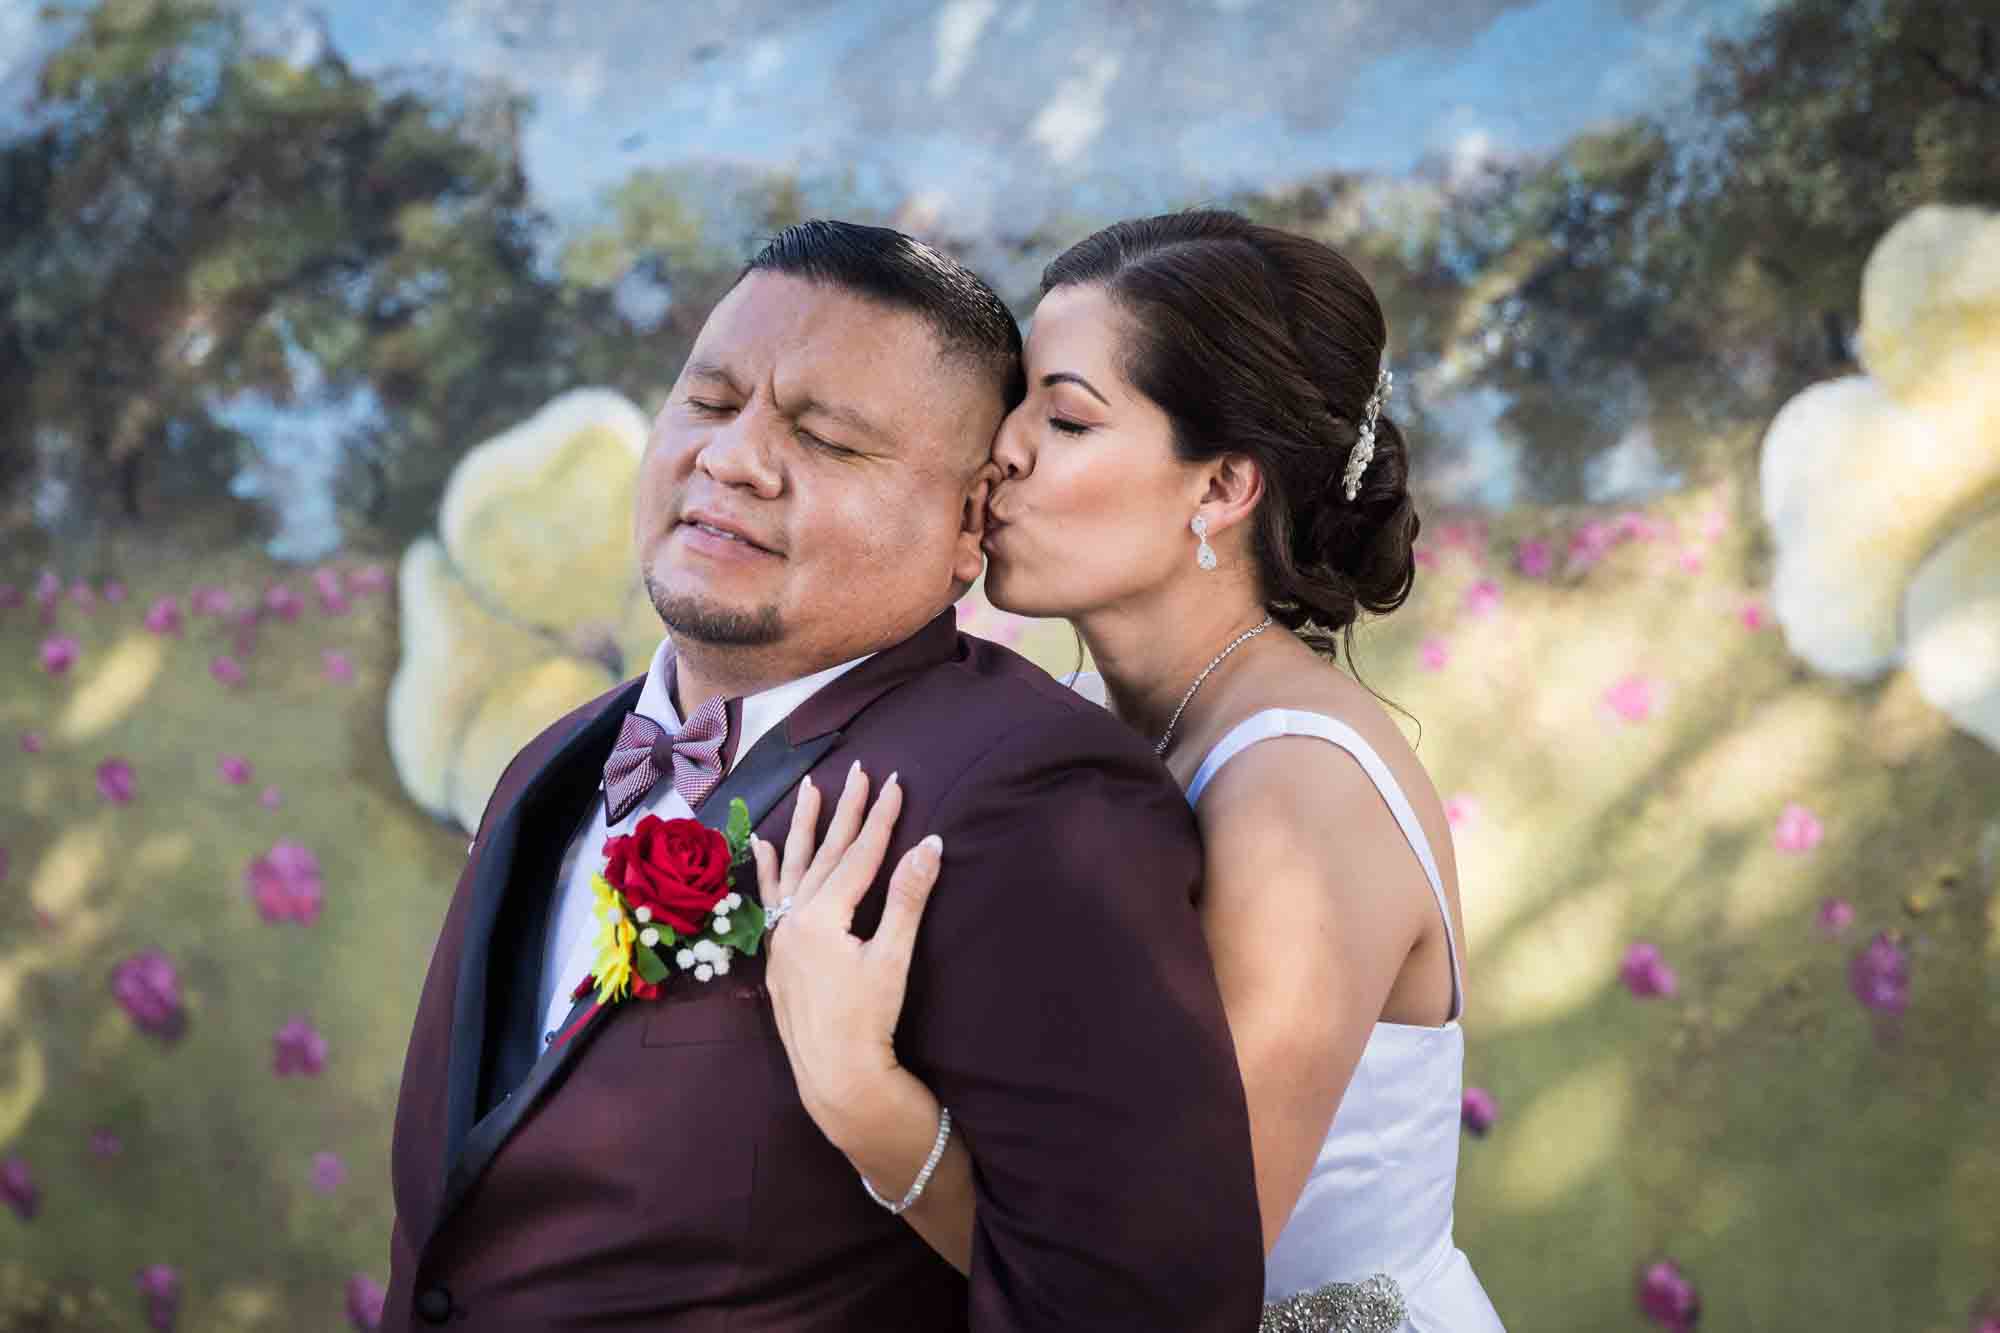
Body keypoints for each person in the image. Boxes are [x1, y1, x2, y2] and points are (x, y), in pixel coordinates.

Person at [380, 220, 1264, 1331]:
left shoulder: (1030, 800)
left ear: (965, 521)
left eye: (830, 440)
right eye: (707, 402)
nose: (732, 457)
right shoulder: (548, 764)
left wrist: (872, 1106)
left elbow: (1147, 1309)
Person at [754, 210, 1505, 1331]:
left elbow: (1159, 1277)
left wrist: (861, 1095)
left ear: (1218, 491)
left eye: (1062, 417)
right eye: (1017, 405)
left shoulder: (1302, 796)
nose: (1001, 447)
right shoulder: (1077, 729)